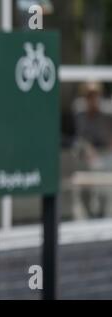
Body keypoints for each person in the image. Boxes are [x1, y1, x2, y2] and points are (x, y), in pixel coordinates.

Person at [72, 80, 112, 218]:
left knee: (106, 193)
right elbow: (80, 139)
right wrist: (88, 149)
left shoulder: (106, 117)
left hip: (105, 159)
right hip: (87, 160)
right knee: (83, 194)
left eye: (95, 96)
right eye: (90, 96)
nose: (93, 100)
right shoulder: (80, 116)